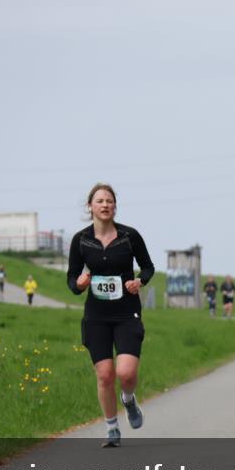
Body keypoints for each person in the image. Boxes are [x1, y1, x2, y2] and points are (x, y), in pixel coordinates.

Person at [67, 183, 155, 448]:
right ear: (90, 206)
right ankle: (112, 429)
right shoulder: (81, 240)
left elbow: (148, 267)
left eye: (109, 201)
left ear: (115, 206)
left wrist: (139, 281)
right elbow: (72, 280)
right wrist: (80, 283)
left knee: (125, 373)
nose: (105, 205)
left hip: (127, 312)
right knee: (105, 375)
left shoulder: (130, 236)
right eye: (99, 201)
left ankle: (128, 400)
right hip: (96, 316)